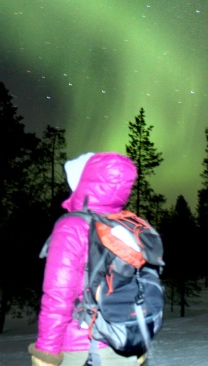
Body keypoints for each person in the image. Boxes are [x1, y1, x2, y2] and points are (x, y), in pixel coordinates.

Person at [28, 151, 145, 366]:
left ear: (81, 183)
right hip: (122, 343)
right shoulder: (123, 226)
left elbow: (59, 295)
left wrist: (47, 352)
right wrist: (137, 341)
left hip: (83, 349)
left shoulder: (71, 227)